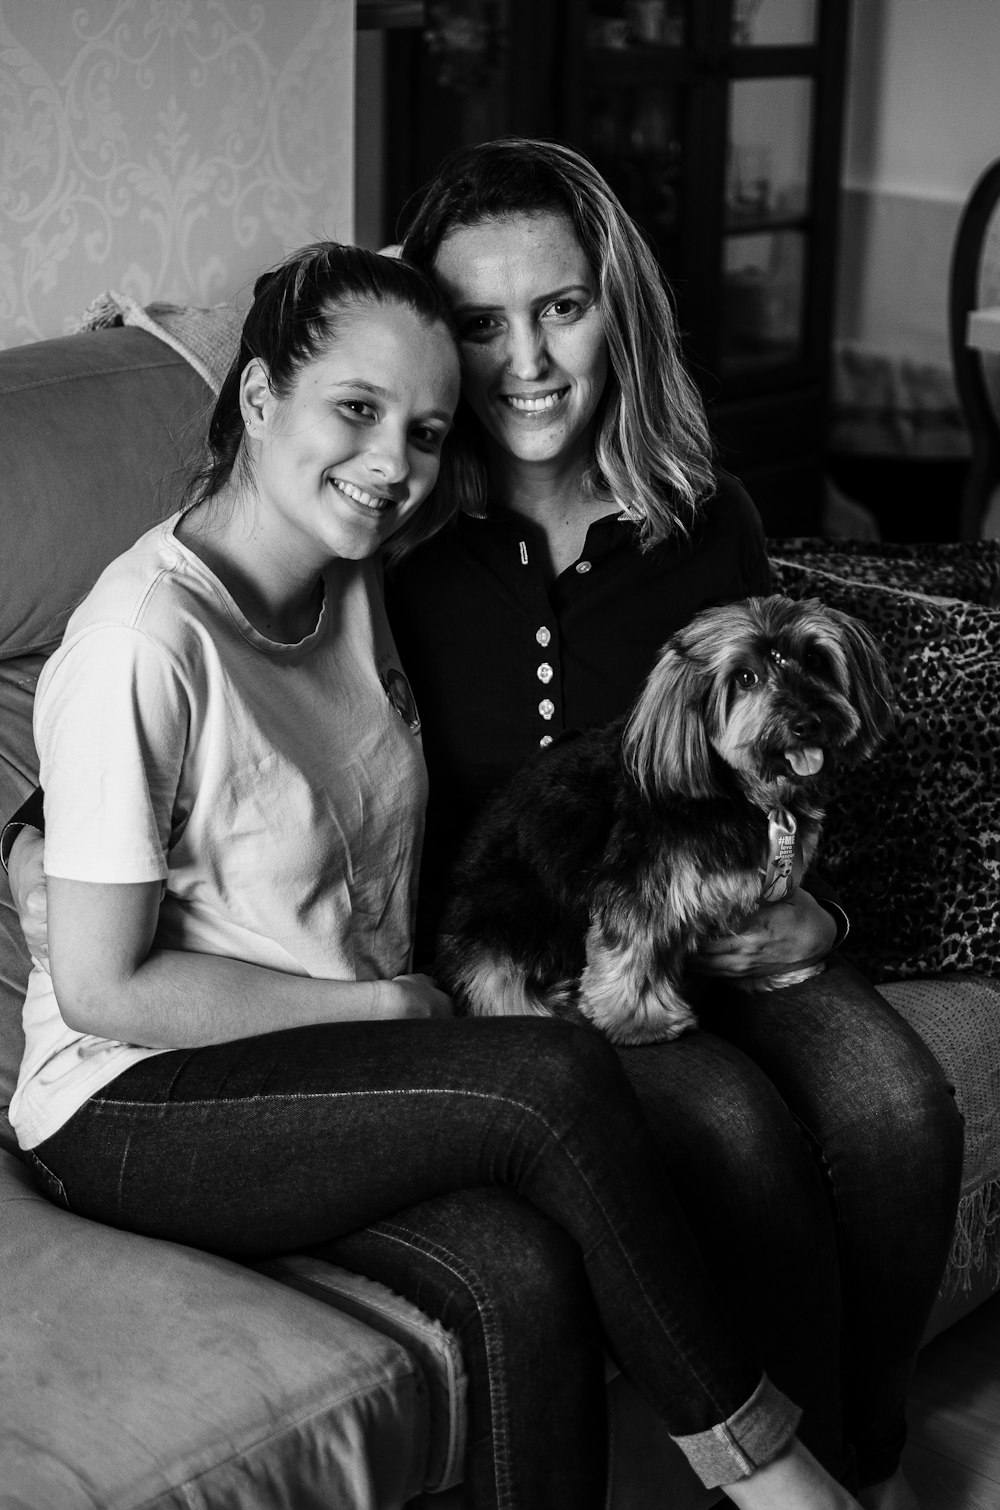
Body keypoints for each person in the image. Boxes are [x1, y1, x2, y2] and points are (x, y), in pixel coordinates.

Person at [3, 146, 962, 1506]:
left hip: (707, 917)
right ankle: (779, 1479)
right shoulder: (384, 541)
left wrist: (826, 907)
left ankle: (859, 1457)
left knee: (896, 1106)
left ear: (614, 311)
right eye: (477, 325)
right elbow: (158, 699)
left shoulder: (668, 522)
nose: (524, 360)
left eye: (560, 309)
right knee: (721, 1126)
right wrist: (28, 842)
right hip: (514, 954)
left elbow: (789, 753)